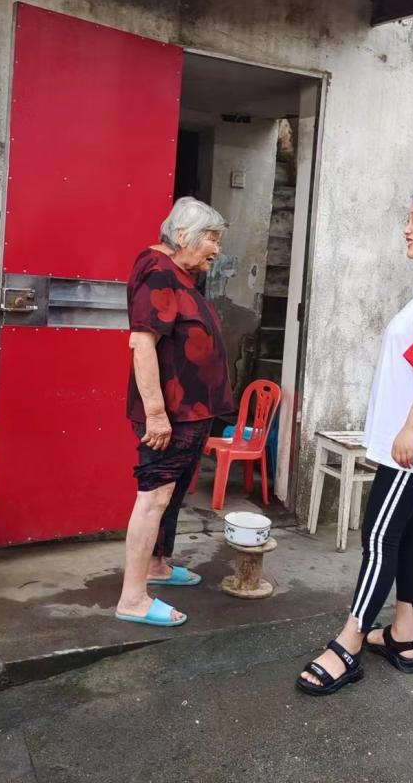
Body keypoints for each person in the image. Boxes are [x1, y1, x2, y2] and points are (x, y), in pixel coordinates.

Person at [297, 185, 413, 695]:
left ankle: (349, 644)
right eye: (408, 218)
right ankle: (404, 636)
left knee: (379, 536)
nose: (407, 229)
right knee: (408, 532)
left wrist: (412, 427)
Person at [115, 197, 234, 627]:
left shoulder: (178, 273)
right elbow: (142, 343)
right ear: (183, 235)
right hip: (172, 414)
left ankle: (156, 565)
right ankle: (132, 598)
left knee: (173, 493)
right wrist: (156, 414)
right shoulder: (158, 271)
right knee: (155, 496)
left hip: (190, 412)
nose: (216, 249)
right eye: (212, 239)